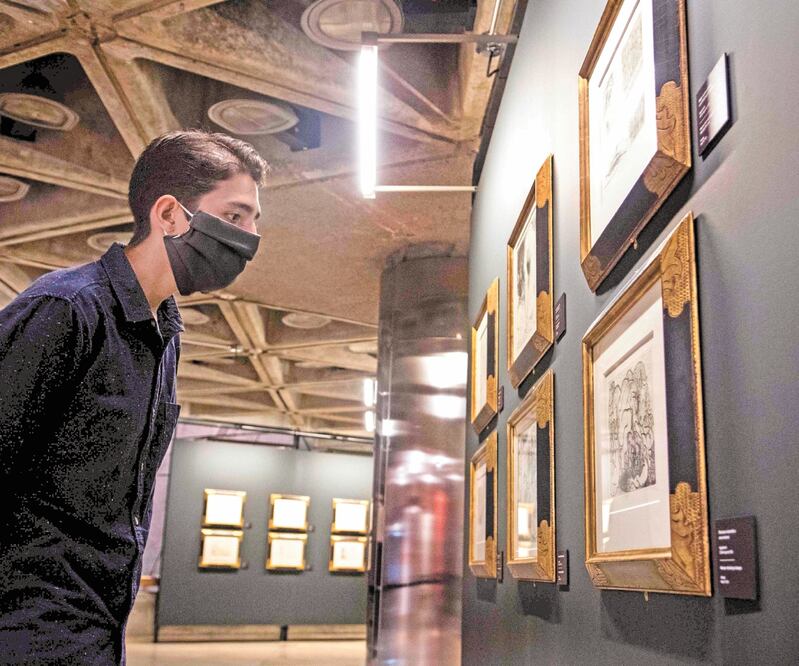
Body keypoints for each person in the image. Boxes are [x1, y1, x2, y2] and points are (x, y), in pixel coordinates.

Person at [0, 130, 268, 664]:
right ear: (168, 214)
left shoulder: (163, 333)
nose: (251, 238)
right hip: (25, 628)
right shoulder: (66, 309)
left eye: (255, 220)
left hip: (97, 625)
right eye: (235, 216)